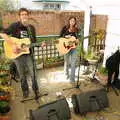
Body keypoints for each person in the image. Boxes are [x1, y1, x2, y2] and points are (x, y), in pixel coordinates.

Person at [0, 8, 45, 98]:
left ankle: (36, 90)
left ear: (28, 16)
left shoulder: (31, 28)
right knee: (22, 75)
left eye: (26, 14)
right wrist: (13, 45)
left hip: (29, 55)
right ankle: (25, 91)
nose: (24, 16)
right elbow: (2, 33)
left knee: (33, 74)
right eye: (22, 14)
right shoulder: (14, 26)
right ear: (19, 16)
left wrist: (40, 45)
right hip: (17, 55)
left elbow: (33, 42)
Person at [60, 16, 79, 85]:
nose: (72, 22)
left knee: (73, 63)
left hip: (73, 48)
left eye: (74, 21)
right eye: (71, 21)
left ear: (75, 22)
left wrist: (77, 40)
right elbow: (60, 37)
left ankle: (72, 79)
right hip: (66, 47)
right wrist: (65, 37)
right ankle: (66, 74)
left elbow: (77, 39)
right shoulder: (64, 28)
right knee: (67, 62)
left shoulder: (76, 29)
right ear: (69, 21)